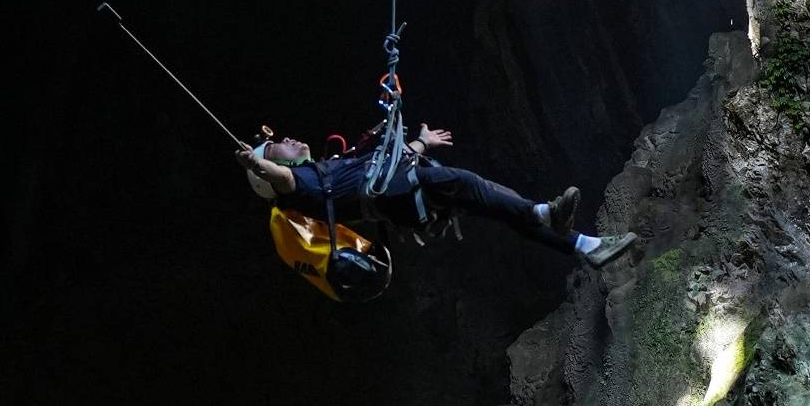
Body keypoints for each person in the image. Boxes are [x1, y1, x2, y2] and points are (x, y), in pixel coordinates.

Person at [238, 126, 639, 268]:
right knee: (467, 183)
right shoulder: (301, 188)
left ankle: (589, 246)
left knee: (500, 202)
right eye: (277, 148)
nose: (287, 140)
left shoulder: (327, 169)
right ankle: (544, 212)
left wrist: (421, 143)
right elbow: (279, 180)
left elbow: (385, 163)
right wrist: (259, 166)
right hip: (399, 196)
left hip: (402, 186)